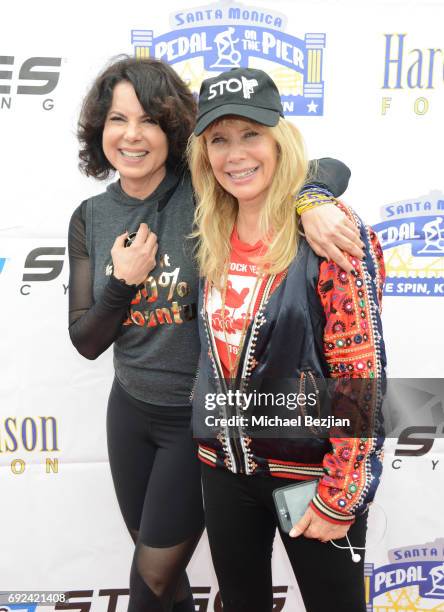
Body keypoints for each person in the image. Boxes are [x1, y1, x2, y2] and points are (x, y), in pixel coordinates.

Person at [68, 56, 363, 612]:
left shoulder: (203, 196)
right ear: (98, 129)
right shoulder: (89, 217)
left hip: (198, 420)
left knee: (152, 577)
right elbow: (85, 338)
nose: (131, 136)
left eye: (149, 120)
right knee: (159, 570)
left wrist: (313, 198)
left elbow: (320, 164)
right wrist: (121, 285)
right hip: (131, 411)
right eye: (116, 119)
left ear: (174, 131)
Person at [189, 67, 386, 612]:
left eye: (251, 133)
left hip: (311, 476)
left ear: (280, 137)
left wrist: (341, 494)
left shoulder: (328, 230)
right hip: (223, 471)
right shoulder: (209, 228)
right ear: (204, 152)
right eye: (219, 139)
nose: (235, 154)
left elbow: (360, 377)